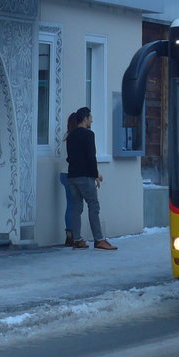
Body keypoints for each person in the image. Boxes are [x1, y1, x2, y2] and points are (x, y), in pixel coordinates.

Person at [65, 106, 117, 250]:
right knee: (94, 206)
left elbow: (69, 158)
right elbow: (90, 157)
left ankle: (77, 239)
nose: (92, 120)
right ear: (85, 118)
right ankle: (99, 239)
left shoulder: (71, 135)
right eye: (90, 118)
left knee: (76, 207)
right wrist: (96, 175)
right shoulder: (89, 135)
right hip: (85, 176)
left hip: (72, 176)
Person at [59, 112, 79, 246]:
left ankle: (69, 235)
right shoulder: (74, 138)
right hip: (70, 174)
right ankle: (73, 235)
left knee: (70, 205)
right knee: (74, 206)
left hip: (63, 173)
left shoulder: (65, 137)